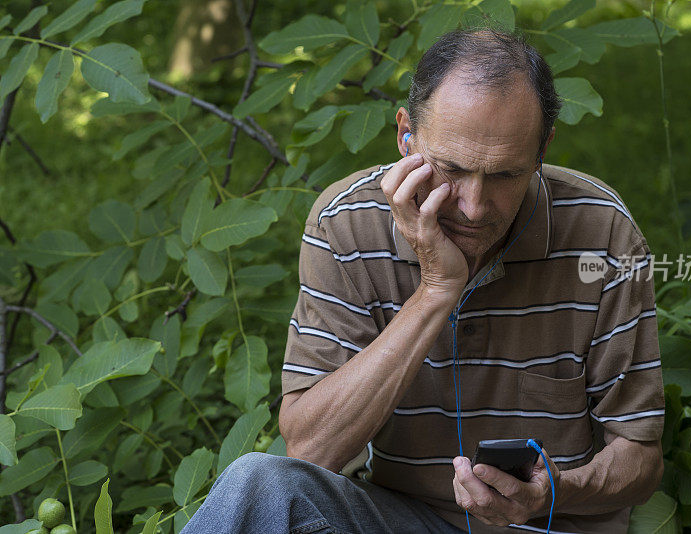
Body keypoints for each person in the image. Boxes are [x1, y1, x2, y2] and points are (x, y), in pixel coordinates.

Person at [182, 28, 665, 534]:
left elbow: (640, 459)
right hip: (401, 520)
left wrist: (550, 493)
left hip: (549, 526)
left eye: (504, 176)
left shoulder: (603, 234)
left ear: (543, 147)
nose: (475, 207)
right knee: (260, 482)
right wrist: (437, 289)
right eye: (451, 170)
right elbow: (311, 449)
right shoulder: (346, 225)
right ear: (405, 135)